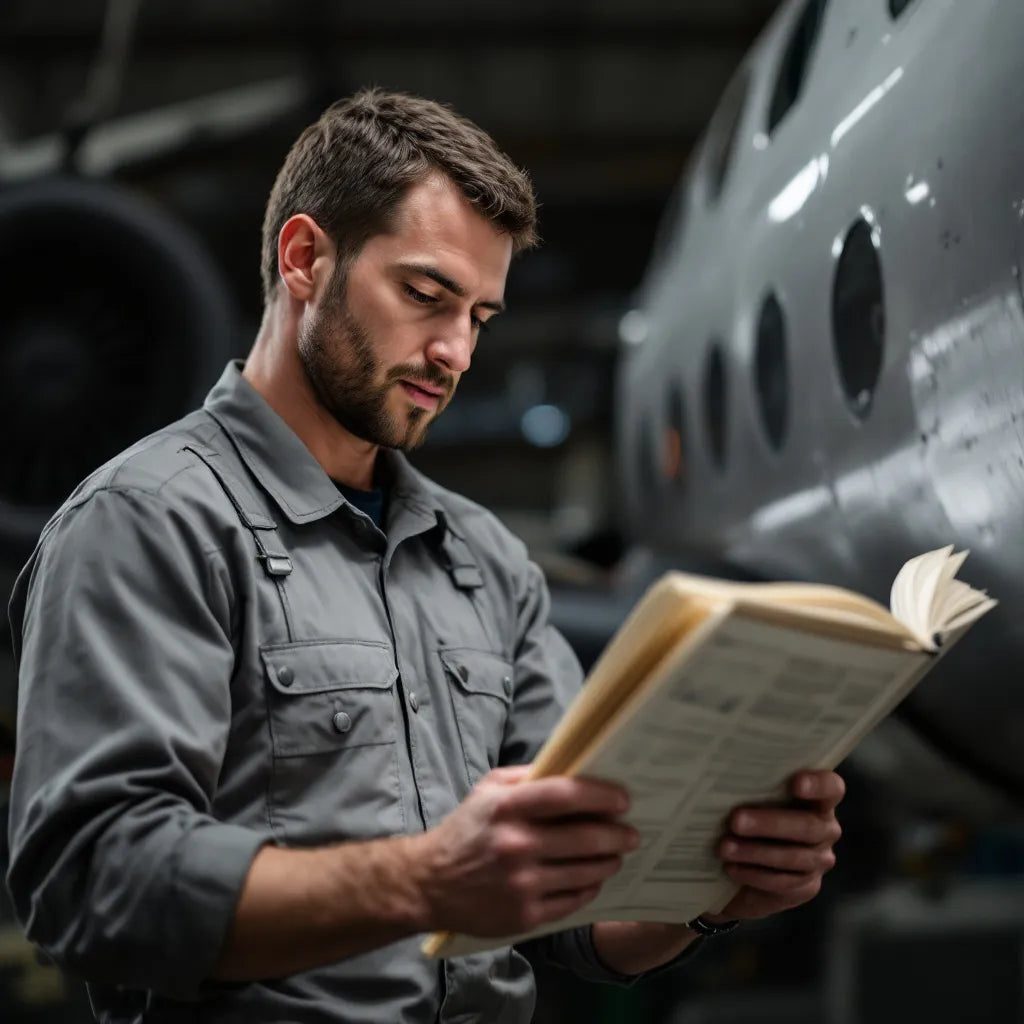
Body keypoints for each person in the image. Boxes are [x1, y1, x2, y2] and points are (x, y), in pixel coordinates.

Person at [5, 89, 844, 1024]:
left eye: (479, 317)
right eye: (424, 295)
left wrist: (704, 894)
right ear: (305, 259)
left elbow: (583, 918)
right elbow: (93, 887)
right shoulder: (149, 524)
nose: (455, 352)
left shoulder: (487, 562)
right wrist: (428, 881)